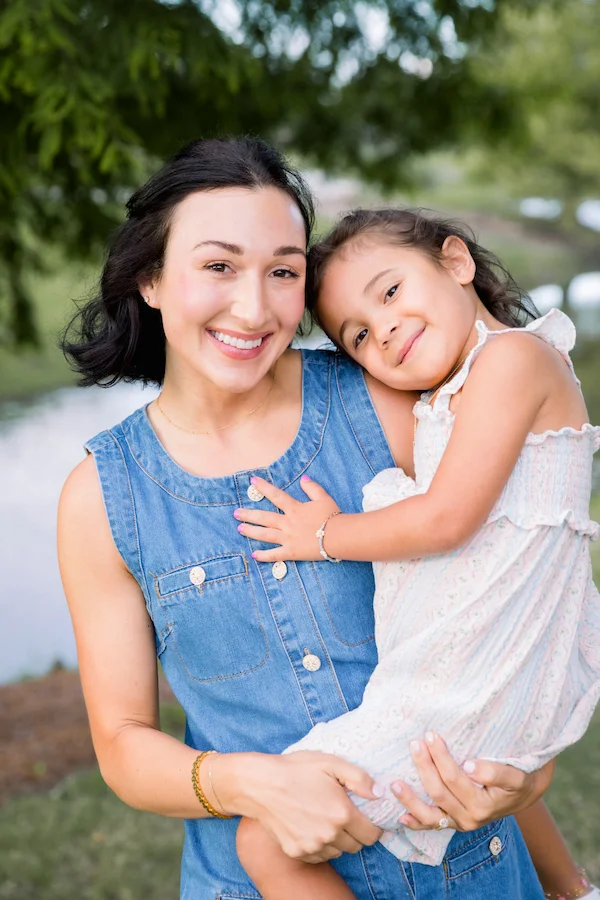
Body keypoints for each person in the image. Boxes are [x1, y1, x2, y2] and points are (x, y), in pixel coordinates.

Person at [58, 138, 570, 900]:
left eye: (284, 271)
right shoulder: (101, 497)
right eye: (219, 266)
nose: (255, 306)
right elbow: (125, 747)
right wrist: (251, 786)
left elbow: (499, 601)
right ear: (153, 278)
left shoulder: (391, 405)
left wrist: (530, 770)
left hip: (473, 872)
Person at [233, 207, 600, 899]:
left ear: (456, 263)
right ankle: (572, 890)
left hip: (481, 673)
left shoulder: (515, 358)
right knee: (474, 770)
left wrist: (321, 535)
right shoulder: (453, 399)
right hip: (484, 668)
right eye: (359, 335)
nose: (385, 329)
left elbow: (447, 519)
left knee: (263, 836)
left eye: (391, 292)